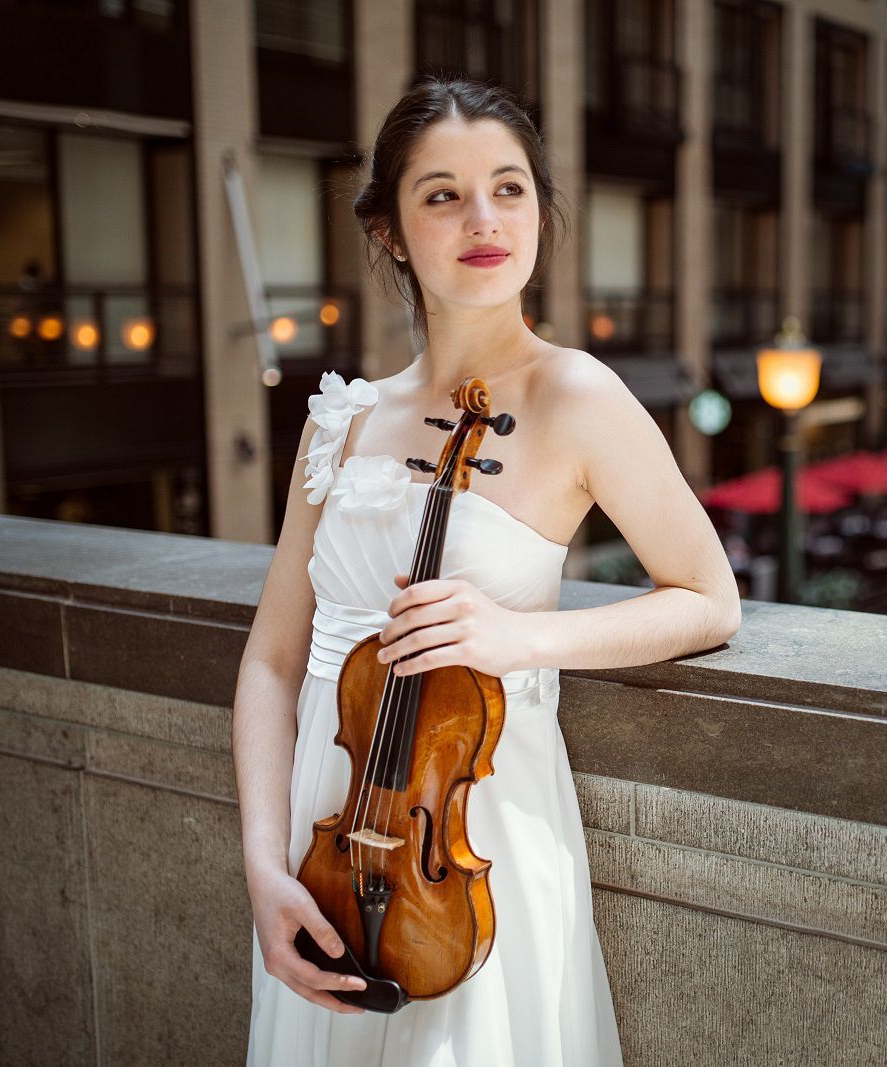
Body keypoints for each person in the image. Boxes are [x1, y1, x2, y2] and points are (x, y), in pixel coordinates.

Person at [233, 76, 743, 1066]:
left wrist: (521, 637)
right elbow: (272, 658)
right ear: (387, 228)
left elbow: (706, 597)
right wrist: (263, 862)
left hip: (475, 844)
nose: (484, 219)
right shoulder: (340, 417)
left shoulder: (577, 395)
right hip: (325, 843)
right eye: (441, 193)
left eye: (510, 188)